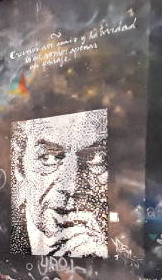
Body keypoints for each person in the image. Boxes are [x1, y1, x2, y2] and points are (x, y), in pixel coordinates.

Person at [10, 109, 108, 257]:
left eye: (95, 156)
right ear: (19, 164)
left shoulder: (116, 240)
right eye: (48, 157)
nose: (71, 187)